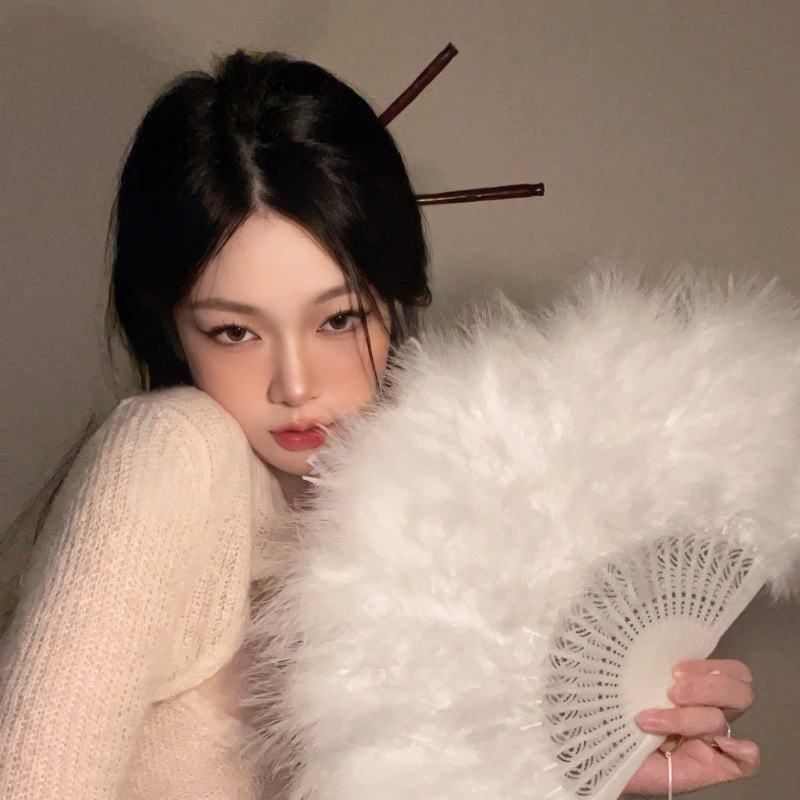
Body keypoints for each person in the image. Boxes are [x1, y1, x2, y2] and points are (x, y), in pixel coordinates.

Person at [0, 50, 758, 798]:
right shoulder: (172, 453)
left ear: (397, 304)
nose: (295, 385)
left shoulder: (418, 519)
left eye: (337, 320)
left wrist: (587, 768)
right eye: (234, 331)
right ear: (169, 326)